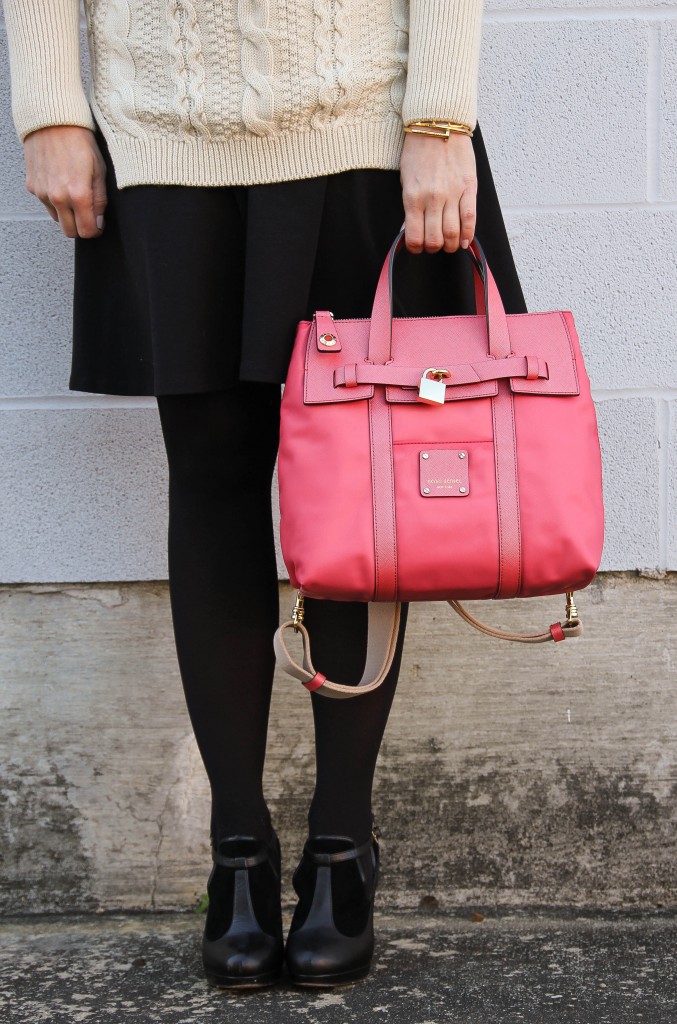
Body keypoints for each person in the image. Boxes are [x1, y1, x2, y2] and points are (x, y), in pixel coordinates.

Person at [4, 0, 527, 990]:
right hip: (161, 127)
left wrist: (437, 119)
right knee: (208, 475)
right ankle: (235, 852)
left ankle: (340, 845)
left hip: (361, 124)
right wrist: (48, 108)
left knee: (360, 491)